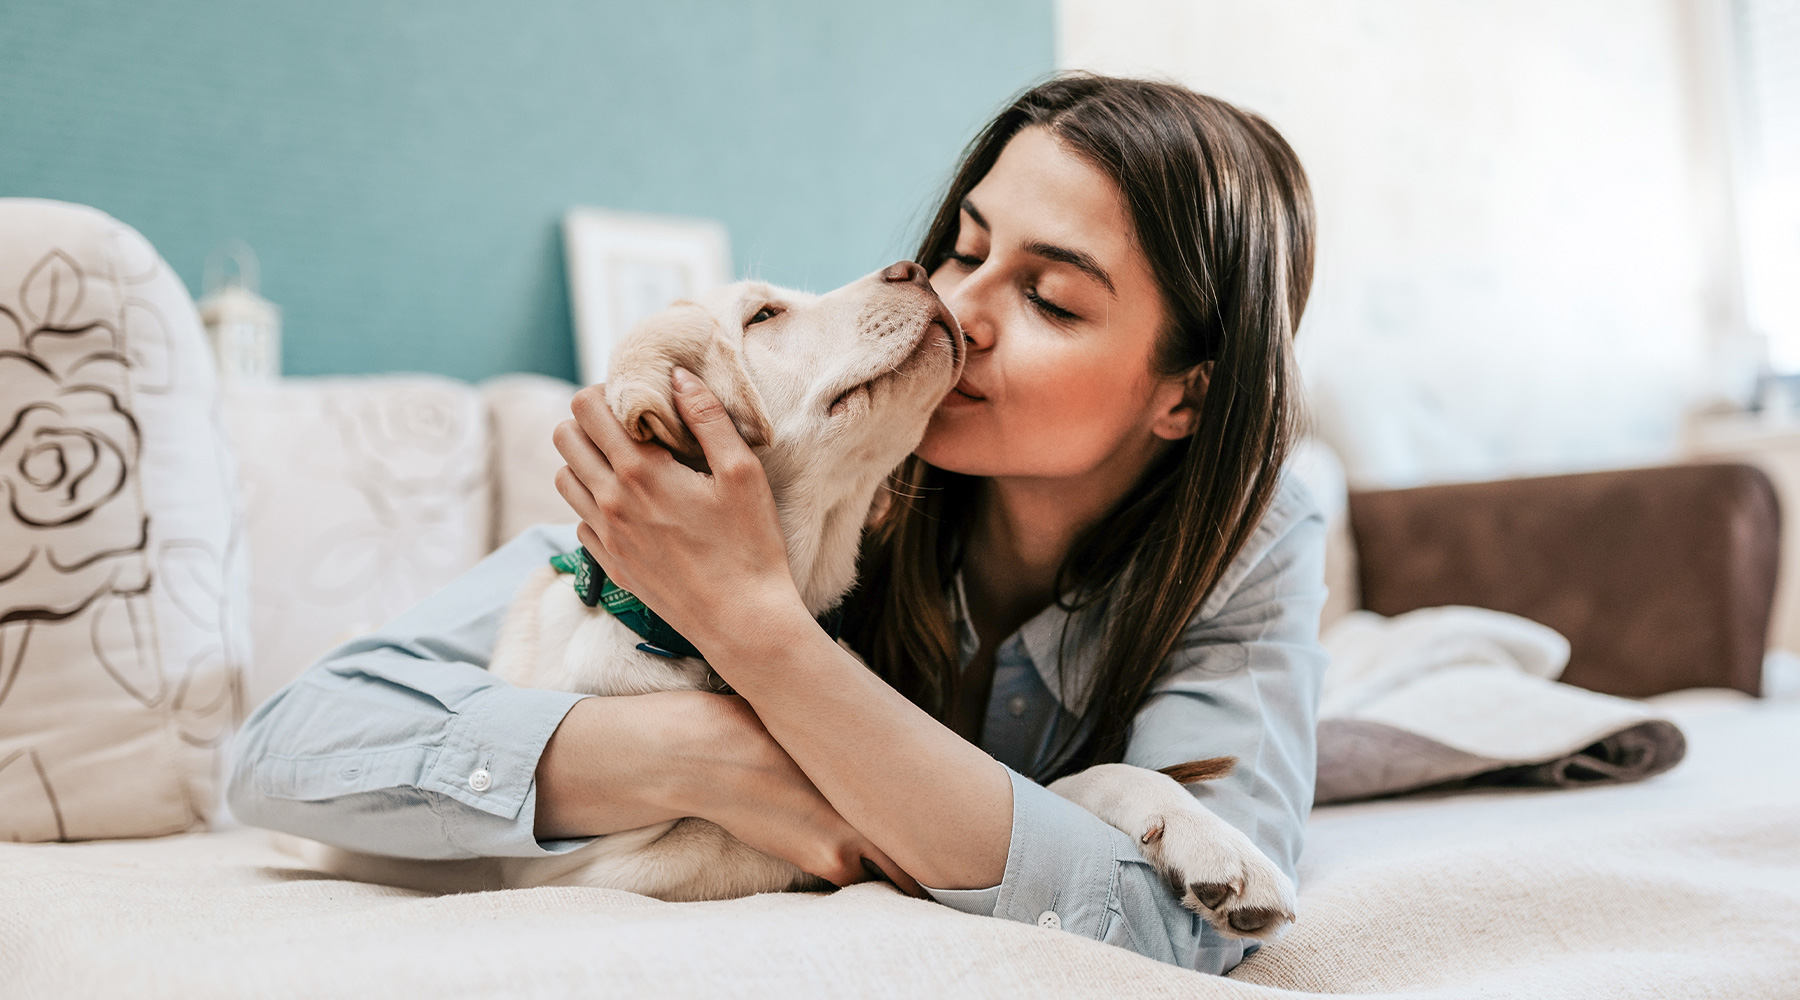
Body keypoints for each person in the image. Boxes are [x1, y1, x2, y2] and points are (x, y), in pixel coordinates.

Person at [228, 73, 1326, 975]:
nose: (963, 305)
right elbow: (287, 749)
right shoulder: (799, 470)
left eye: (1050, 298)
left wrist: (760, 630)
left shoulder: (1252, 539)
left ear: (1186, 392)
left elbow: (1184, 927)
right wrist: (705, 753)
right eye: (966, 246)